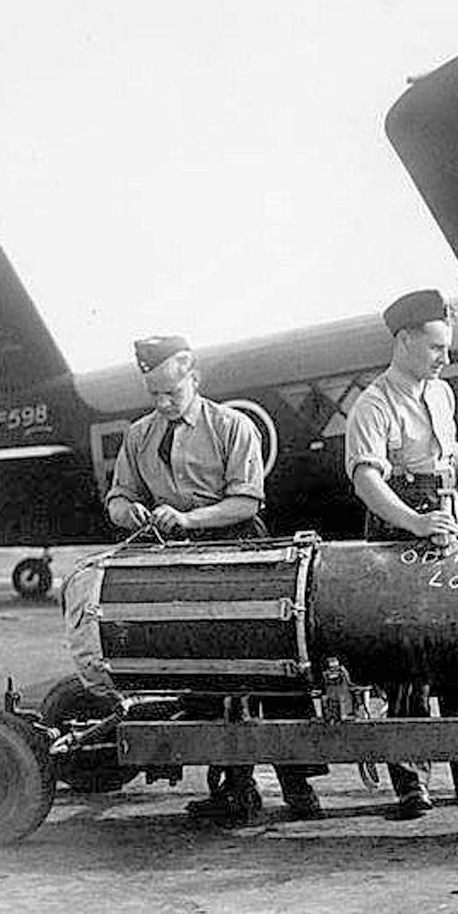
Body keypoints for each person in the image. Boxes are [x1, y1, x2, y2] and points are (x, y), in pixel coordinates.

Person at [91, 334, 325, 825]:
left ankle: (297, 783)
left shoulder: (231, 427)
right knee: (205, 669)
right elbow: (116, 498)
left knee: (270, 667)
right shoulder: (139, 436)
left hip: (240, 551)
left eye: (171, 393)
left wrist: (190, 520)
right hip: (180, 559)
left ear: (193, 378)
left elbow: (247, 501)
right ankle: (233, 789)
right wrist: (129, 512)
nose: (161, 403)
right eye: (152, 394)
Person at [344, 289, 458, 819]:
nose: (444, 357)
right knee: (404, 656)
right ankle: (411, 785)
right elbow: (367, 481)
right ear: (403, 341)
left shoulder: (439, 392)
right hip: (402, 524)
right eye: (435, 348)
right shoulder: (373, 404)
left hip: (447, 514)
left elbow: (449, 451)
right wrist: (416, 522)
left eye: (446, 348)